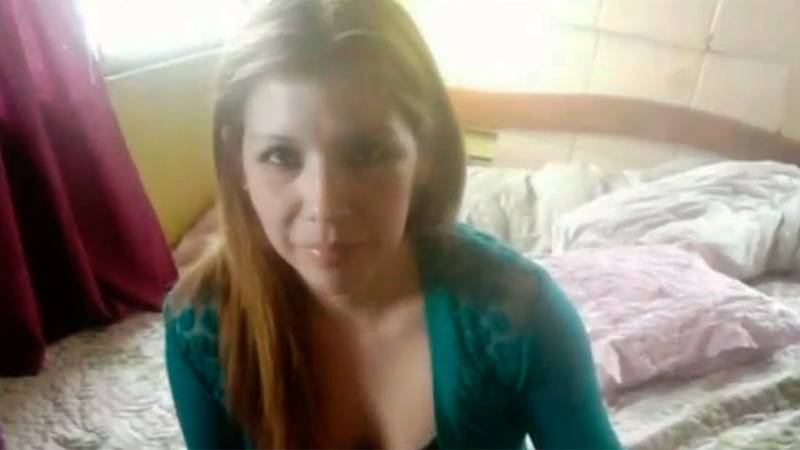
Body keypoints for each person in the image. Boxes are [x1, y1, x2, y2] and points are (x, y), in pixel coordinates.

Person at [163, 0, 624, 448]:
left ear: (424, 157)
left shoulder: (518, 315)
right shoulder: (200, 327)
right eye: (281, 156)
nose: (324, 205)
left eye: (366, 154)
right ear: (236, 162)